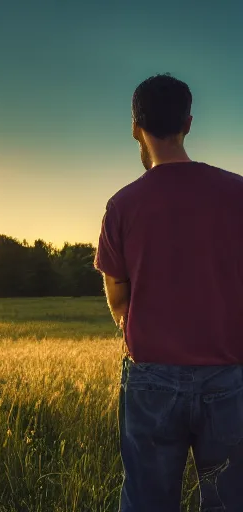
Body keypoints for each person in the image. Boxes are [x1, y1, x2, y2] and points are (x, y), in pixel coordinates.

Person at [95, 74, 243, 511]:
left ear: (135, 127)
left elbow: (118, 301)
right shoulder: (238, 193)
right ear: (189, 123)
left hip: (151, 380)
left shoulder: (122, 205)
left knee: (146, 502)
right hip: (230, 377)